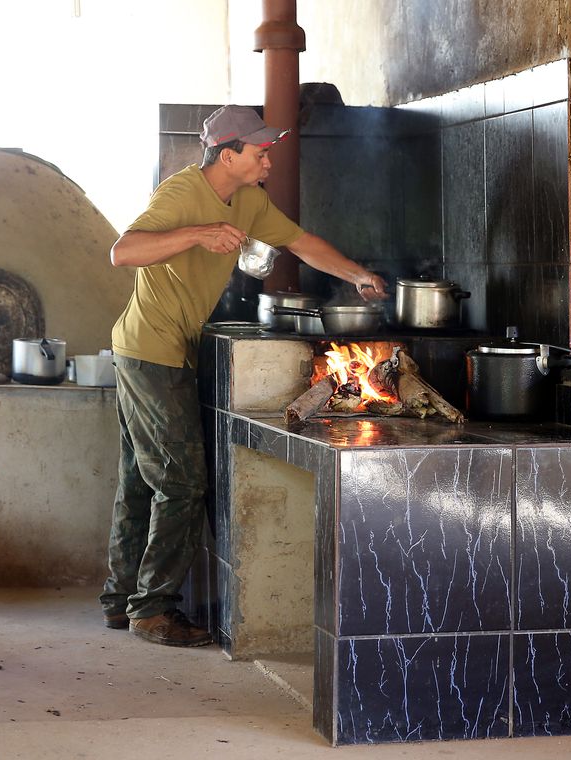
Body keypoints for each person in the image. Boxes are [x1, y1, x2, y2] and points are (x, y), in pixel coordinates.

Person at [101, 105, 387, 647]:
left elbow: (300, 243)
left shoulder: (251, 199)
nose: (269, 159)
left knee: (145, 479)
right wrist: (196, 233)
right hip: (149, 349)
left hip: (167, 349)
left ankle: (122, 601)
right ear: (227, 154)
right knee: (182, 482)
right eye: (260, 151)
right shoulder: (182, 193)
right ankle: (153, 610)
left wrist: (359, 274)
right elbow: (124, 252)